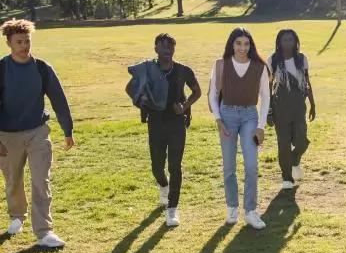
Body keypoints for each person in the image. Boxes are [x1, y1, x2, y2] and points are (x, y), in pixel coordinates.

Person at [0, 19, 74, 249]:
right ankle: (16, 216)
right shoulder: (2, 69)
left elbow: (59, 100)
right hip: (7, 135)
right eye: (19, 42)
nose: (24, 45)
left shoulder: (42, 68)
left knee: (41, 179)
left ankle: (44, 231)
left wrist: (67, 130)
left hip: (37, 131)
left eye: (27, 41)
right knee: (13, 179)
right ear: (9, 43)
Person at [125, 33, 201, 228]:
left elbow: (197, 91)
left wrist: (184, 107)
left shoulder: (183, 70)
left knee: (175, 166)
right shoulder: (148, 70)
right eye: (162, 47)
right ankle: (163, 186)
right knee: (157, 166)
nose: (166, 51)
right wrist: (142, 102)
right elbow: (129, 88)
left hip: (176, 122)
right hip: (156, 122)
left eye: (170, 47)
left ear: (174, 49)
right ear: (156, 49)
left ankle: (172, 209)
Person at [209, 27, 271, 229]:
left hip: (249, 116)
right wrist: (218, 119)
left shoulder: (259, 67)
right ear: (231, 44)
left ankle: (251, 211)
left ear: (250, 45)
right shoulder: (220, 65)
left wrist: (261, 127)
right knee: (229, 167)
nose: (242, 48)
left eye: (246, 43)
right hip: (227, 115)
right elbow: (212, 94)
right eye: (238, 43)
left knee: (251, 165)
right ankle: (232, 207)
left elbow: (266, 97)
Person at [267, 29, 315, 190]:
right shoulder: (273, 60)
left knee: (301, 141)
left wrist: (313, 104)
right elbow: (267, 86)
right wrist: (268, 110)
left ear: (295, 42)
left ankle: (294, 161)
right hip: (280, 107)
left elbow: (307, 82)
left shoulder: (302, 59)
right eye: (284, 40)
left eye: (291, 40)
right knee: (284, 144)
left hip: (298, 107)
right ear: (279, 42)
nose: (287, 43)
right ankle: (286, 177)